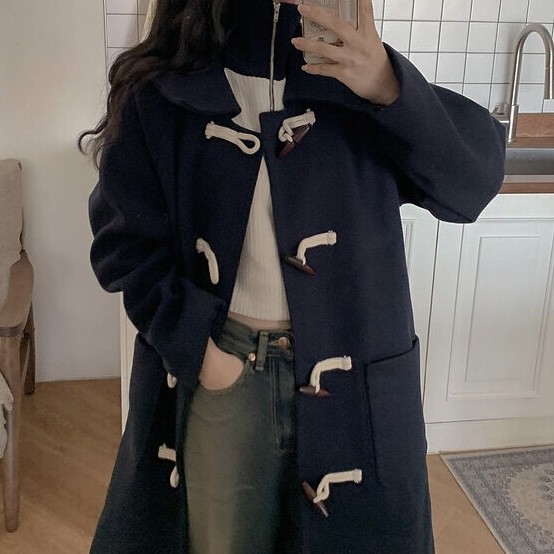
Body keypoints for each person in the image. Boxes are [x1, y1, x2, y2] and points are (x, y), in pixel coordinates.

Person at [79, 0, 506, 552]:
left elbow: (471, 186)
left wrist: (386, 85)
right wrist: (205, 356)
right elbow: (125, 247)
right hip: (222, 371)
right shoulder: (161, 87)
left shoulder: (360, 80)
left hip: (351, 383)